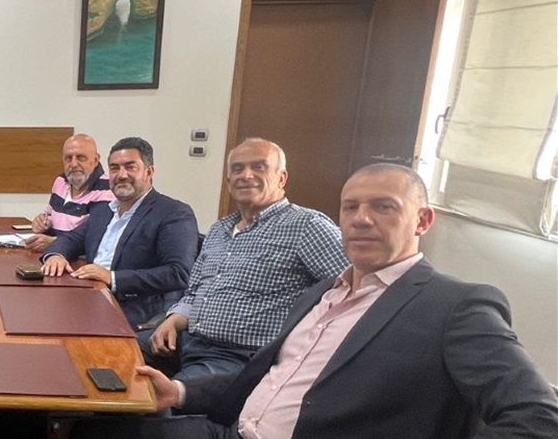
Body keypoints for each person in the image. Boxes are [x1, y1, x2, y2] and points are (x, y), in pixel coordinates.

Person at [112, 164, 558, 439]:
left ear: (422, 220)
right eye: (350, 207)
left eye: (383, 207)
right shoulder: (322, 293)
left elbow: (537, 418)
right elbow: (267, 378)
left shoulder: (456, 307)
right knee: (96, 426)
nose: (361, 219)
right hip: (232, 428)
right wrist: (181, 391)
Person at [143, 138, 347, 380]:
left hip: (241, 358)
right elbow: (194, 292)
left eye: (259, 167)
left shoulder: (307, 226)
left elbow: (358, 289)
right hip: (188, 341)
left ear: (281, 178)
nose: (246, 175)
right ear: (229, 181)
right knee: (114, 354)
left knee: (163, 393)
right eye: (238, 169)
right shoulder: (219, 229)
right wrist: (173, 321)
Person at [40, 137, 199, 327]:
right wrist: (55, 255)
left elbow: (179, 273)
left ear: (149, 172)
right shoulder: (105, 210)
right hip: (88, 297)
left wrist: (112, 278)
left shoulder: (172, 213)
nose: (121, 175)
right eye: (115, 168)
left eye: (130, 167)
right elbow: (73, 238)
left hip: (132, 311)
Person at [24, 133, 115, 253]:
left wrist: (54, 242)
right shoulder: (60, 181)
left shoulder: (107, 189)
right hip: (53, 254)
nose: (73, 164)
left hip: (81, 259)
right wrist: (41, 222)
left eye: (81, 157)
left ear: (95, 160)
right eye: (68, 158)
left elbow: (95, 237)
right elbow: (49, 215)